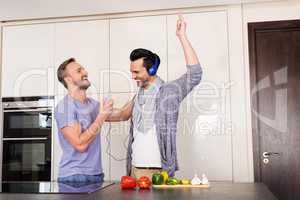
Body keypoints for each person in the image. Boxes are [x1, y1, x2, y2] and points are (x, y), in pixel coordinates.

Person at [106, 15, 203, 179]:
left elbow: (195, 74)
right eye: (131, 71)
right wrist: (94, 116)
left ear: (151, 70)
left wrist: (182, 36)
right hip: (135, 170)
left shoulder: (169, 91)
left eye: (136, 72)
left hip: (159, 171)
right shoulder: (138, 96)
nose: (132, 76)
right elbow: (122, 114)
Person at [54, 58, 113, 183]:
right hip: (74, 176)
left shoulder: (93, 105)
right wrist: (101, 116)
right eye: (79, 71)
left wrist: (141, 91)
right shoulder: (65, 107)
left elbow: (123, 115)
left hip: (96, 175)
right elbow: (80, 145)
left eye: (83, 69)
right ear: (68, 79)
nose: (85, 72)